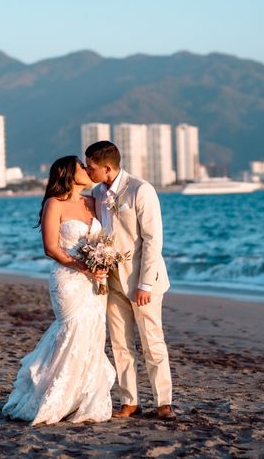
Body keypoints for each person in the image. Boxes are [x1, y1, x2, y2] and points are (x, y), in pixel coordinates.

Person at [2, 155, 115, 425]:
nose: (87, 170)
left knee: (93, 333)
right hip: (68, 279)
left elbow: (106, 236)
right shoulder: (54, 203)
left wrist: (104, 260)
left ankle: (80, 399)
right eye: (81, 167)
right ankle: (52, 397)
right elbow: (51, 248)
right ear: (68, 173)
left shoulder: (93, 202)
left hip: (95, 280)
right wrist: (84, 267)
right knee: (71, 331)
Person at [85, 141, 176, 421]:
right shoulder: (96, 193)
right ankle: (129, 402)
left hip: (142, 280)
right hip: (110, 280)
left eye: (91, 168)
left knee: (152, 341)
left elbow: (152, 239)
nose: (88, 172)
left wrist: (145, 285)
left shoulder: (141, 190)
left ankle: (163, 403)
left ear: (107, 168)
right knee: (120, 344)